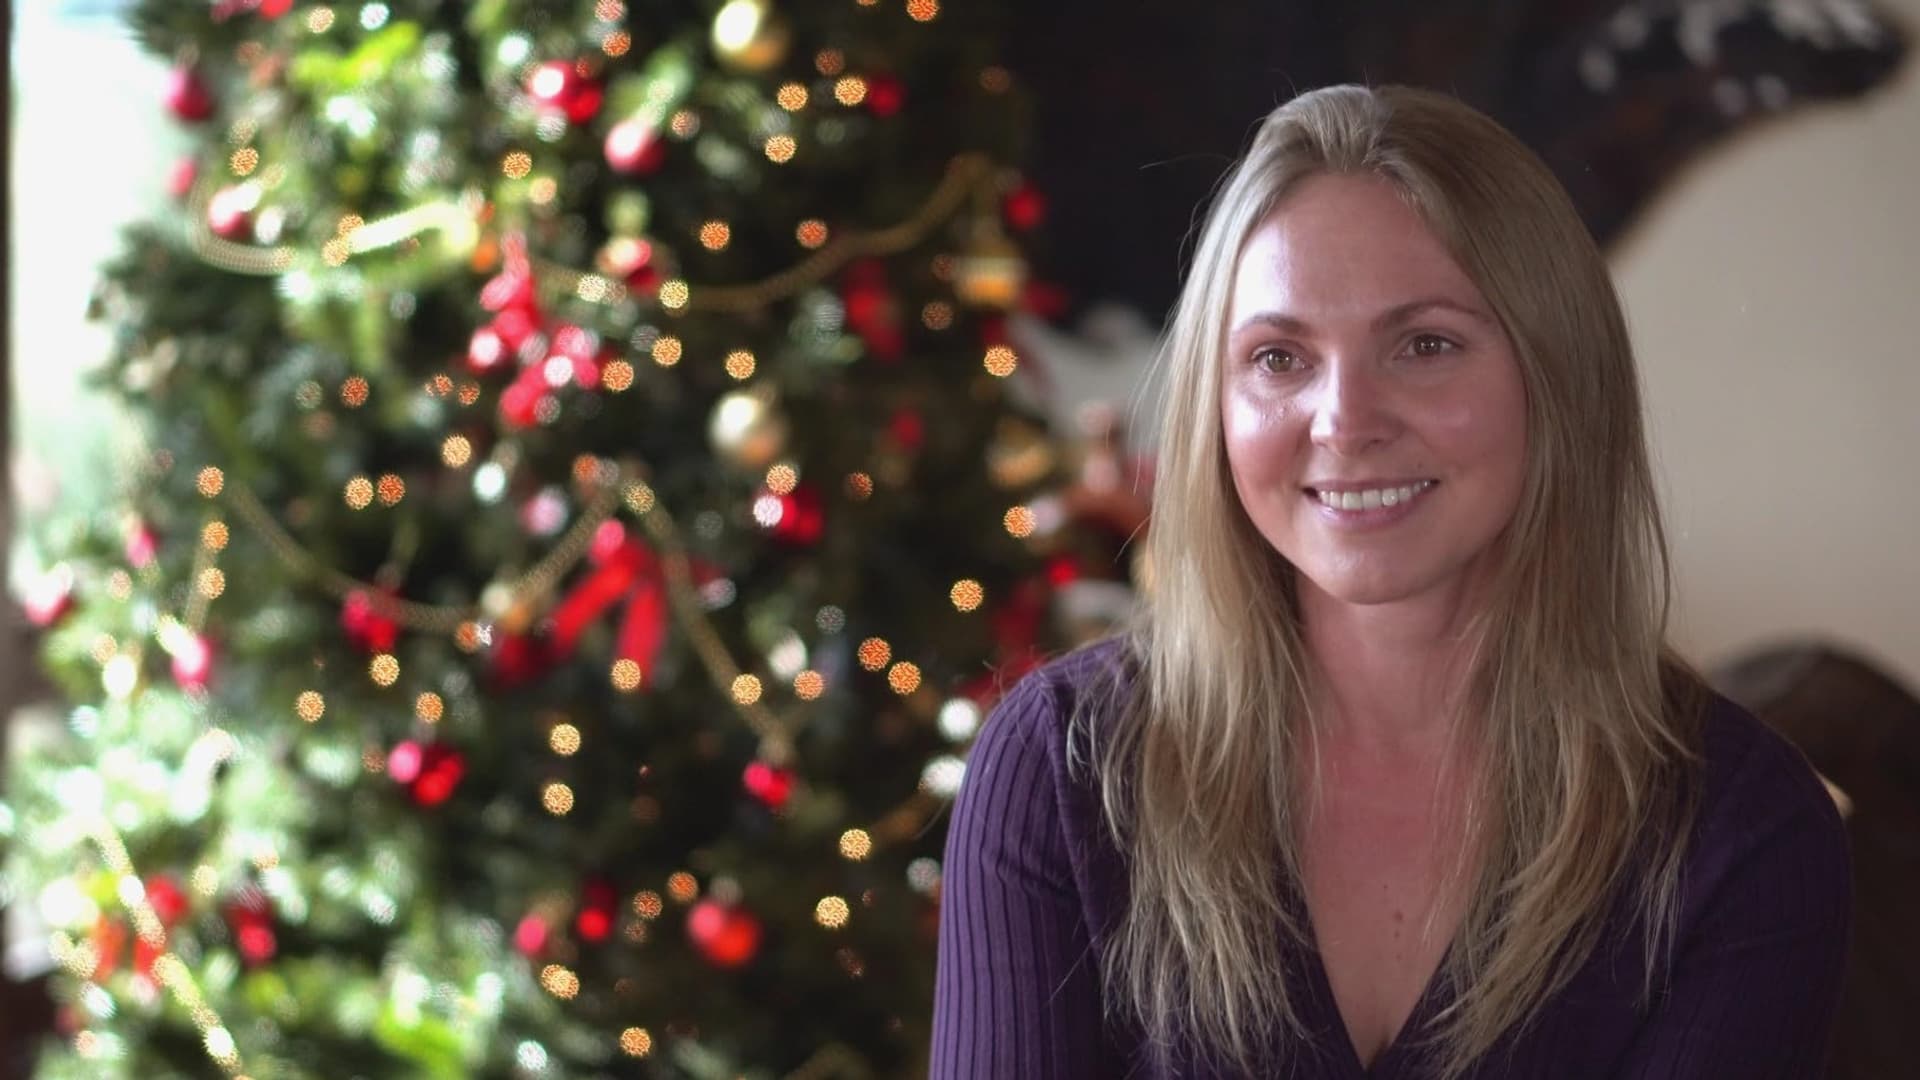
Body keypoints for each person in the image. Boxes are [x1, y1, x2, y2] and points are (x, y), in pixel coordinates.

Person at [931, 84, 1851, 1079]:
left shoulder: (1744, 831)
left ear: (1559, 375)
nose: (1345, 421)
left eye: (1425, 345)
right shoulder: (1059, 772)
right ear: (1215, 405)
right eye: (1278, 357)